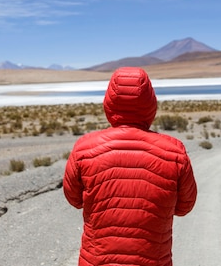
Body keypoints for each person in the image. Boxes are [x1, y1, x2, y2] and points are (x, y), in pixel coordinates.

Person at [63, 67, 198, 266]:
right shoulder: (174, 151)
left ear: (109, 102)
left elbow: (74, 198)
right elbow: (184, 206)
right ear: (150, 103)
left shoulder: (85, 148)